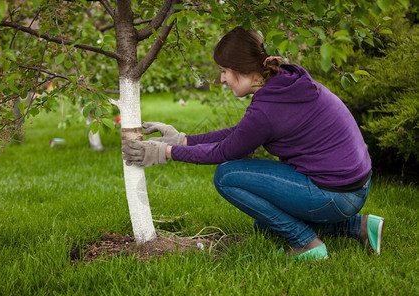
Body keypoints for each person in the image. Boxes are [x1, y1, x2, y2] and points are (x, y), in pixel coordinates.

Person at [122, 26, 385, 260]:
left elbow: (226, 150)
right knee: (265, 224)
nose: (222, 78)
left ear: (243, 70)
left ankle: (308, 245)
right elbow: (242, 132)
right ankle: (359, 227)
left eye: (224, 71)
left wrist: (165, 152)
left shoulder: (268, 108)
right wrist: (183, 140)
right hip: (352, 188)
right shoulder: (284, 82)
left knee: (227, 175)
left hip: (335, 195)